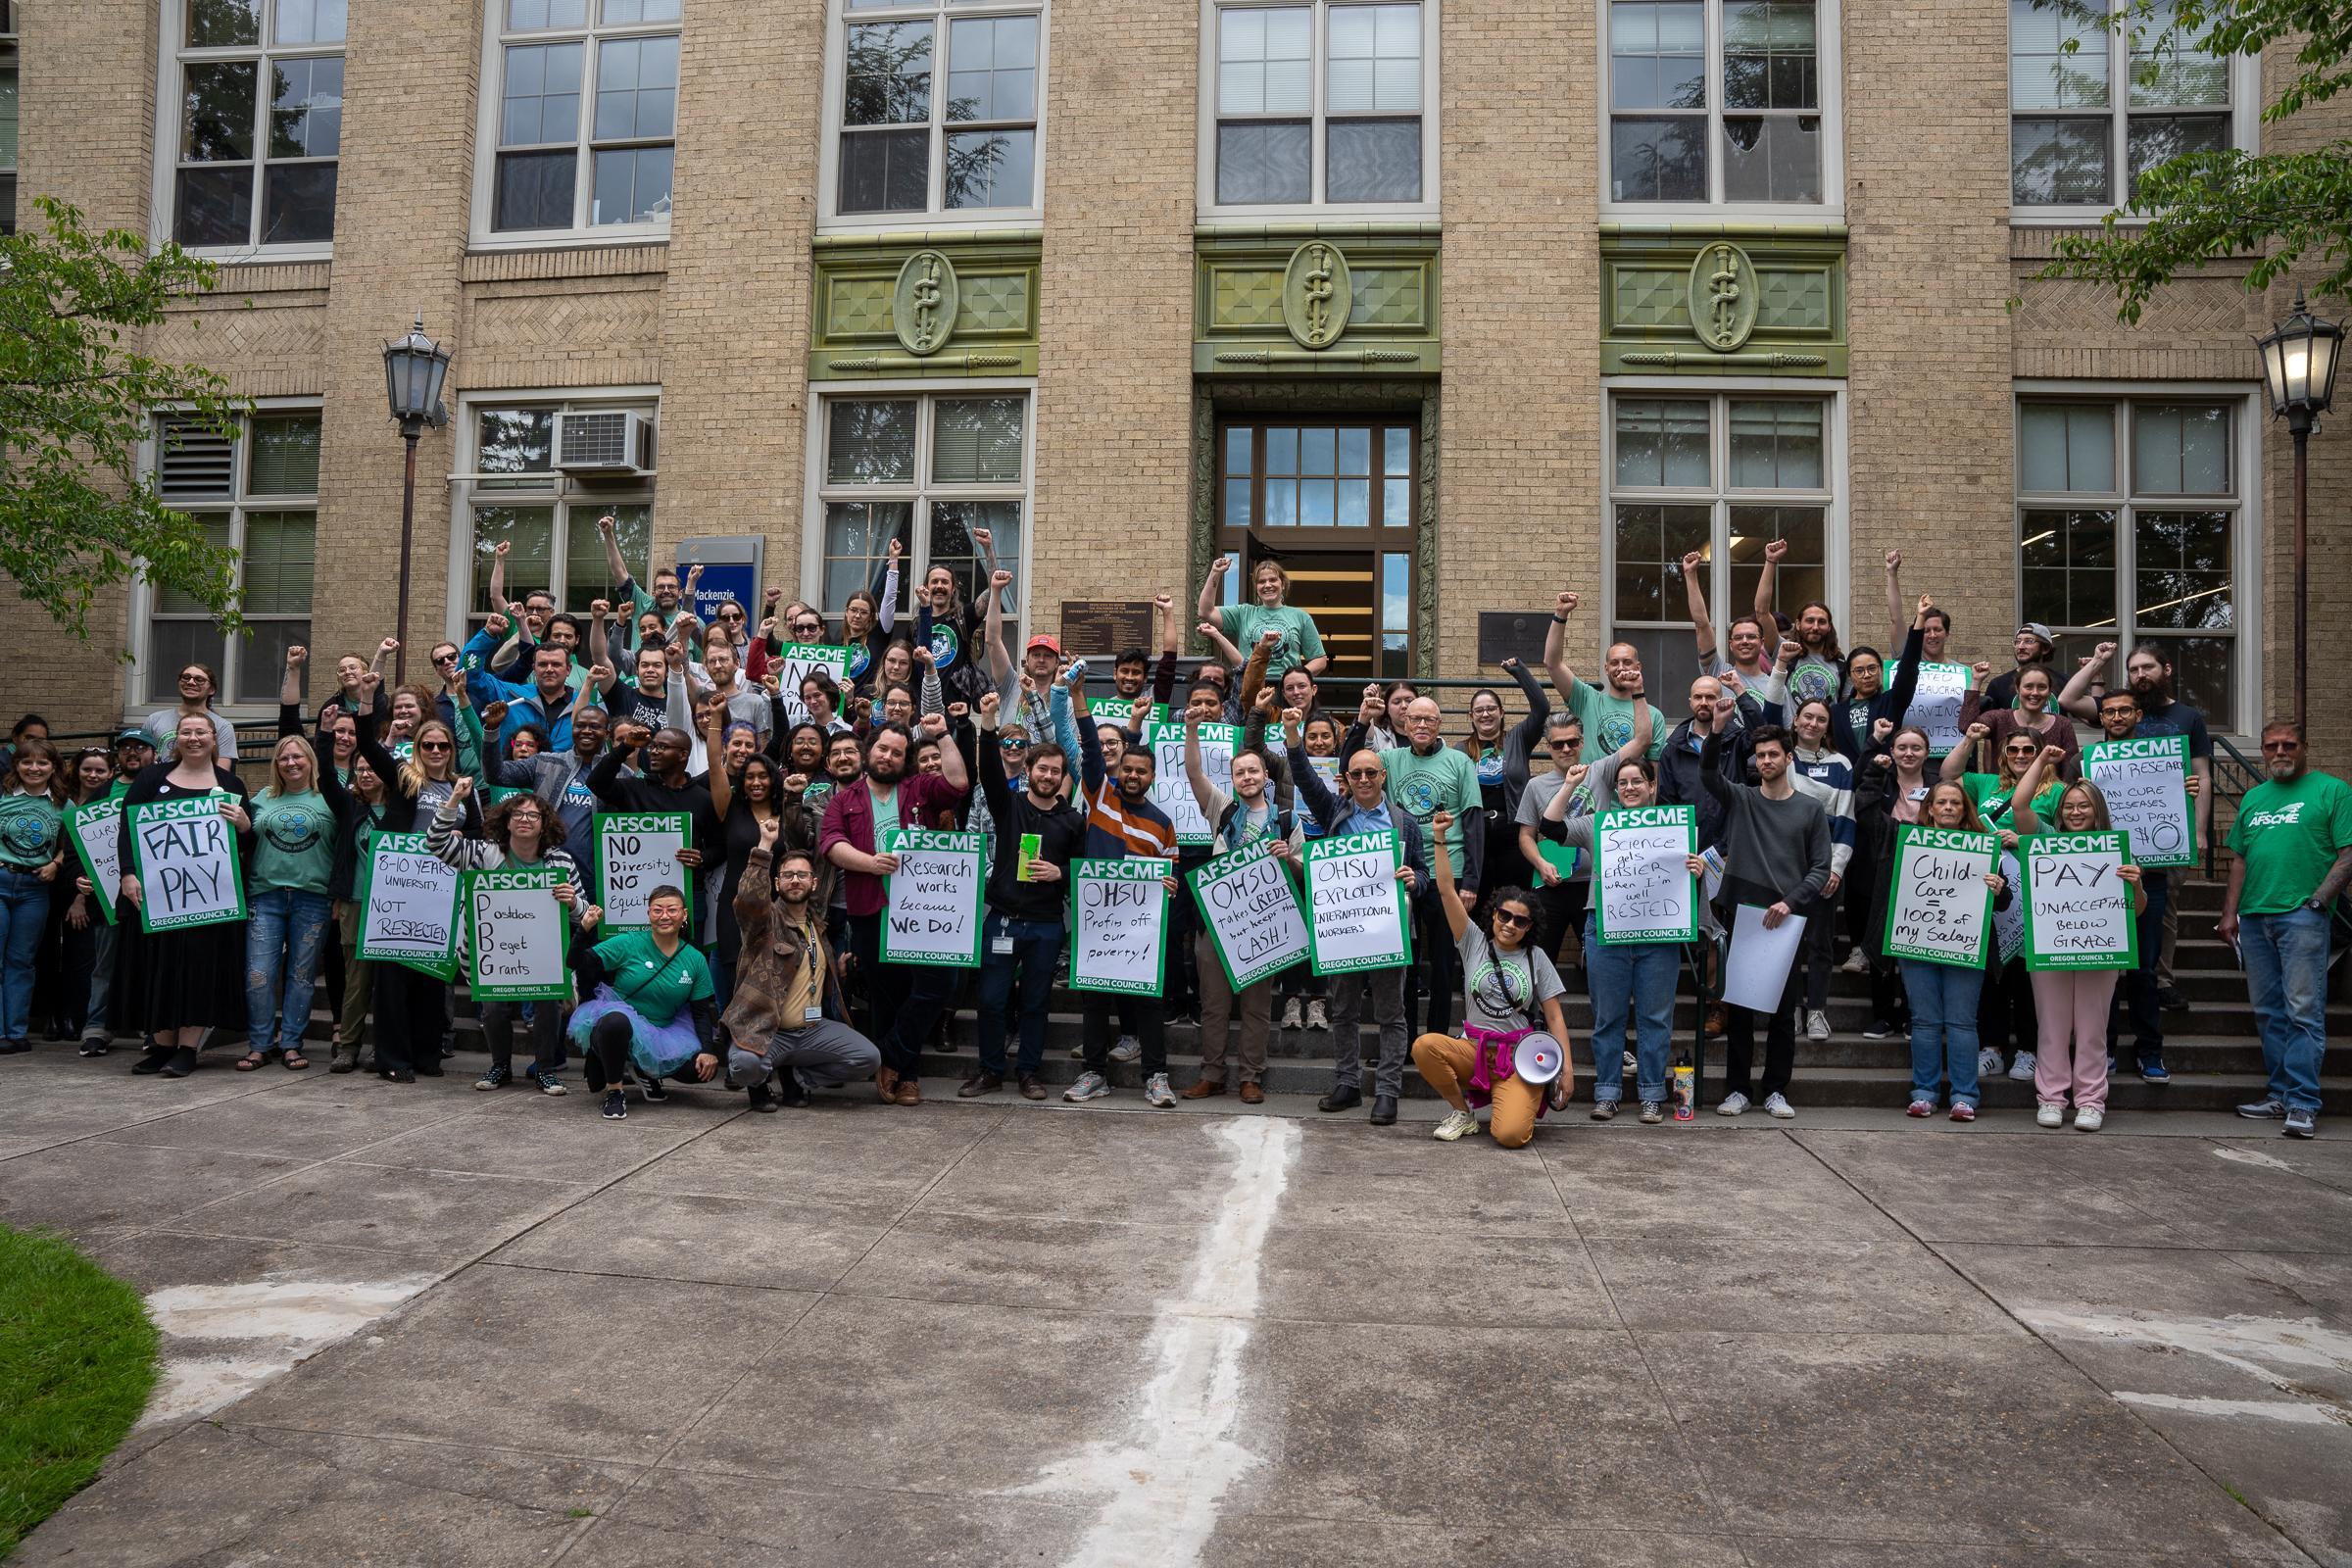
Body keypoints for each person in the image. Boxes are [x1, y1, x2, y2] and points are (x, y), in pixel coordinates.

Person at [1542, 707, 1695, 1122]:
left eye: (1637, 781)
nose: (1629, 787)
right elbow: (1551, 828)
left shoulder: (1674, 826)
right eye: (1622, 782)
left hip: (1659, 932)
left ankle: (1650, 1094)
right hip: (1605, 929)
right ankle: (1607, 1092)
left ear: (1651, 785)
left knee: (1655, 1018)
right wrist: (1571, 785)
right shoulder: (1599, 824)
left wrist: (1697, 869)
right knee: (1607, 1017)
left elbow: (1697, 877)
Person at [817, 713, 969, 1103]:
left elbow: (957, 784)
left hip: (924, 911)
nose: (888, 756)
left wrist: (943, 735)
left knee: (941, 984)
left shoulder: (920, 788)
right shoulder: (843, 800)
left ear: (907, 759)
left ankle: (892, 1058)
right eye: (882, 748)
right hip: (871, 910)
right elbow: (831, 844)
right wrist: (869, 862)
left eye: (897, 752)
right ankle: (907, 1078)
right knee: (889, 996)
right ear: (870, 751)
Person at [1284, 710, 1424, 1125]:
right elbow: (1305, 777)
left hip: (1387, 934)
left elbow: (1426, 878)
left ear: (1383, 776)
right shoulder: (1333, 814)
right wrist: (1293, 736)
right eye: (1356, 774)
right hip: (1341, 934)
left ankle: (1387, 1091)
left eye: (1371, 773)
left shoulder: (1405, 824)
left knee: (1391, 1014)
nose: (1363, 780)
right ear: (1346, 779)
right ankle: (1347, 1083)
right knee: (1342, 1010)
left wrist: (1415, 880)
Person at [2059, 641, 2213, 1015]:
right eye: (2134, 669)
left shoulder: (2187, 717)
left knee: (2164, 910)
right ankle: (2121, 969)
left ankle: (2159, 979)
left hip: (2163, 840)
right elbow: (2066, 699)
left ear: (2166, 670)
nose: (2141, 674)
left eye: (2148, 667)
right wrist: (2098, 663)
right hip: (2107, 845)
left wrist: (2200, 830)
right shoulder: (2106, 725)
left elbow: (2201, 776)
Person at [2223, 719, 2351, 1139]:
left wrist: (2319, 900)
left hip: (2302, 916)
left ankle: (2303, 1102)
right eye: (2272, 745)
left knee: (2303, 1011)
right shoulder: (2255, 798)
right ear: (2262, 750)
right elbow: (2239, 860)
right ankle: (2279, 1093)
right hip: (2255, 917)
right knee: (2268, 1012)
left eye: (2289, 745)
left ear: (2304, 748)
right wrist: (2230, 915)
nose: (2280, 752)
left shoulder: (2332, 791)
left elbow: (2348, 854)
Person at [1412, 812, 1572, 1147]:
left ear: (1530, 927)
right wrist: (1440, 838)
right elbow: (1445, 890)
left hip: (1518, 1058)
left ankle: (1525, 1092)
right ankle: (1462, 1113)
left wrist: (1566, 1069)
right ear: (1493, 914)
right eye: (1504, 915)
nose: (1510, 924)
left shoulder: (1536, 958)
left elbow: (1555, 1016)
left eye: (1521, 921)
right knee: (1425, 1046)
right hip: (1473, 1049)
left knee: (1510, 1136)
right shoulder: (1473, 941)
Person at [1062, 663, 1182, 1109]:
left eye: (1141, 772)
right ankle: (1094, 1074)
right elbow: (1091, 749)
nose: (1133, 776)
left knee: (1148, 1003)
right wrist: (1078, 697)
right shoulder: (1100, 795)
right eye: (1128, 769)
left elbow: (1171, 871)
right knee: (1094, 1001)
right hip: (1099, 920)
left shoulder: (1163, 823)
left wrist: (1169, 885)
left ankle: (1156, 1076)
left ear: (1151, 776)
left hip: (1142, 928)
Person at [2010, 747, 2145, 1131]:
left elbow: (2135, 911)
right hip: (2050, 945)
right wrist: (2042, 762)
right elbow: (2021, 805)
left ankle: (2090, 1100)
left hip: (2100, 950)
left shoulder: (2116, 848)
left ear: (2097, 809)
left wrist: (2135, 887)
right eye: (2069, 805)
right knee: (2051, 1026)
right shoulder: (2045, 839)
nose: (2075, 812)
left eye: (2084, 805)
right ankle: (2051, 1097)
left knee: (2092, 1028)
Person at [1702, 723, 1833, 1117]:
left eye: (1774, 754)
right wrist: (1715, 732)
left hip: (1787, 919)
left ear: (1788, 758)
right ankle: (1738, 1090)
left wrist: (1791, 903)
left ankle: (1776, 1089)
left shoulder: (1809, 808)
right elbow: (1708, 774)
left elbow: (1821, 868)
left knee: (1782, 1010)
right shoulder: (1742, 798)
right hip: (1743, 913)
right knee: (1739, 1010)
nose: (1766, 761)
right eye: (1760, 756)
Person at [425, 777, 582, 1095]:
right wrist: (456, 797)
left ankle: (546, 1068)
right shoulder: (483, 854)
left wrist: (574, 901)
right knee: (494, 1006)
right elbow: (436, 844)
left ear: (544, 824)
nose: (525, 820)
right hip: (492, 954)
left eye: (533, 815)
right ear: (506, 822)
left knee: (549, 1004)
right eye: (518, 814)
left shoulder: (561, 861)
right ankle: (500, 1066)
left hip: (543, 954)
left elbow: (584, 914)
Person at [965, 689, 1086, 1100]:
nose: (1049, 776)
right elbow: (988, 772)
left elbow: (1086, 873)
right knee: (991, 1000)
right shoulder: (1008, 806)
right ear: (1029, 769)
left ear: (1062, 776)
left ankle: (1029, 1073)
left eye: (1056, 771)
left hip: (1046, 926)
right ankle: (990, 1070)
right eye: (1042, 769)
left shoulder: (1071, 821)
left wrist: (1061, 872)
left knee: (1035, 1003)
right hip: (1001, 919)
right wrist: (988, 720)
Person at [118, 714, 253, 1077]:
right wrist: (128, 873)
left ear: (214, 738)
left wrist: (243, 824)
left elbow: (245, 843)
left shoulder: (230, 783)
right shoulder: (152, 779)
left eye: (201, 732)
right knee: (159, 967)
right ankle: (162, 1047)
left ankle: (188, 1049)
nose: (193, 738)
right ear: (176, 739)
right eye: (186, 732)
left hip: (209, 900)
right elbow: (127, 828)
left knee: (198, 969)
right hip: (158, 897)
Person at [235, 647, 349, 1072]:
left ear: (310, 761)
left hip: (313, 898)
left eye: (298, 755)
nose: (290, 761)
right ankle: (260, 1044)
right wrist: (244, 825)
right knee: (259, 975)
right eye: (283, 757)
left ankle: (292, 1045)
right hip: (265, 896)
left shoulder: (329, 799)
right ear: (276, 764)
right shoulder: (261, 798)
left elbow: (342, 850)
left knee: (302, 977)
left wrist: (338, 894)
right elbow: (244, 843)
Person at [1342, 690, 1481, 1037]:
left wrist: (1472, 882)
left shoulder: (1459, 761)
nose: (1421, 725)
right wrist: (1361, 722)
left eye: (1429, 720)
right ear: (1403, 722)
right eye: (1415, 719)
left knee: (1444, 965)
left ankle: (1434, 1040)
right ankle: (1403, 1044)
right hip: (1399, 874)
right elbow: (1350, 763)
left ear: (1439, 725)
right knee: (1404, 961)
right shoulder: (1389, 758)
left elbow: (1475, 821)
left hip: (1448, 875)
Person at [724, 824, 882, 1110]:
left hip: (810, 1030)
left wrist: (838, 970)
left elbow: (809, 969)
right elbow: (748, 901)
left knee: (867, 1058)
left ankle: (796, 1077)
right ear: (776, 883)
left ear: (814, 883)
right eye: (787, 876)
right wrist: (764, 845)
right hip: (766, 1031)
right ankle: (759, 1084)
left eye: (802, 875)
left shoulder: (817, 927)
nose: (794, 880)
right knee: (744, 1065)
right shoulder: (764, 922)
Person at [1896, 782, 2012, 1122]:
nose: (1948, 807)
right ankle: (1924, 1093)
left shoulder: (1983, 848)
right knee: (1924, 1021)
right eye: (1941, 802)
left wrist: (2000, 889)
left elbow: (2002, 904)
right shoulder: (1909, 841)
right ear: (1929, 808)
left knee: (1962, 1022)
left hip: (1966, 944)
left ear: (1965, 810)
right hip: (1916, 942)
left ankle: (1964, 1096)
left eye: (1955, 803)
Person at [567, 885, 718, 1120]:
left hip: (664, 1030)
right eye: (657, 910)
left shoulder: (695, 959)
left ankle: (642, 1070)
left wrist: (708, 1052)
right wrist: (584, 929)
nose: (665, 916)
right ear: (648, 914)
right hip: (619, 1019)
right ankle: (615, 1091)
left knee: (699, 1072)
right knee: (616, 1023)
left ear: (684, 914)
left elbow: (701, 1012)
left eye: (672, 910)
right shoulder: (629, 942)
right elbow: (576, 961)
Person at [1853, 722, 1933, 1042]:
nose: (1909, 753)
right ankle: (1883, 1015)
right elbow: (1864, 807)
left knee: (1918, 945)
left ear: (1927, 752)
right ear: (1892, 751)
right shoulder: (1882, 780)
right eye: (1902, 747)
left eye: (1916, 748)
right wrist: (1874, 770)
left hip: (1927, 876)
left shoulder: (1938, 785)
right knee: (1881, 942)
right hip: (1882, 871)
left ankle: (1916, 1015)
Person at [1783, 691, 1855, 1044]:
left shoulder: (1841, 765)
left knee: (1821, 943)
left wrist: (1836, 868)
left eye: (1820, 719)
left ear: (1828, 726)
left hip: (1823, 867)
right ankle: (1793, 1008)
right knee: (1789, 943)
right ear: (1795, 721)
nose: (1812, 723)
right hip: (1784, 867)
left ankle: (1816, 1011)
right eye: (1806, 716)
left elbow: (1845, 819)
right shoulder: (1781, 759)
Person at [1461, 658, 1551, 906]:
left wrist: (1519, 672)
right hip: (1477, 836)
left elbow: (1542, 708)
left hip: (1514, 833)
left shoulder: (1518, 740)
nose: (1485, 714)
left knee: (1514, 901)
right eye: (1479, 710)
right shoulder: (1460, 751)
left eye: (1491, 708)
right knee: (1478, 905)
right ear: (1471, 716)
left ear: (1502, 713)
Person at [1543, 589, 1670, 762]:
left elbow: (1653, 769)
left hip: (1629, 789)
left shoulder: (1653, 715)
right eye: (1614, 663)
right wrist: (1560, 613)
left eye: (1627, 662)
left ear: (1638, 667)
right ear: (1606, 669)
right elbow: (1552, 663)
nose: (1621, 668)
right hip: (1590, 789)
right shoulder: (1587, 699)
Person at [0, 736, 68, 1054]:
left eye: (42, 762)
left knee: (22, 962)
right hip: (1, 880)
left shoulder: (63, 803)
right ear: (17, 765)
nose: (34, 768)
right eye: (27, 762)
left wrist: (56, 863)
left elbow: (74, 848)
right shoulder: (3, 795)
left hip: (35, 889)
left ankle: (16, 1031)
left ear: (53, 767)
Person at [1517, 710, 1593, 961]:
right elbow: (1526, 836)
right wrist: (1540, 863)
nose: (1566, 749)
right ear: (1548, 747)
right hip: (1550, 885)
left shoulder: (1599, 777)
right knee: (1541, 958)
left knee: (1596, 960)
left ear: (1581, 742)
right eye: (1558, 743)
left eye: (1572, 742)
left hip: (1593, 884)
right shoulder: (1536, 786)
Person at [1197, 555, 1328, 680]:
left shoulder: (1300, 616)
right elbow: (1205, 612)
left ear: (1282, 584)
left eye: (1272, 580)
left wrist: (1294, 679)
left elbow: (1320, 660)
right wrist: (1215, 572)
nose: (1267, 585)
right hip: (1249, 688)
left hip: (1287, 693)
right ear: (1256, 587)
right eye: (1261, 581)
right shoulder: (1244, 613)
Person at [1958, 662, 2078, 781]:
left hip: (2047, 797)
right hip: (2003, 794)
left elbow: (2069, 773)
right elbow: (1966, 726)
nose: (2035, 693)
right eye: (2028, 686)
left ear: (2049, 691)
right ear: (2017, 688)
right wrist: (1976, 682)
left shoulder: (2063, 725)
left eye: (2041, 687)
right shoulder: (1999, 718)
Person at [143, 662, 241, 760]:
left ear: (211, 689)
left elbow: (222, 771)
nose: (190, 682)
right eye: (186, 677)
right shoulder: (154, 720)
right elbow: (142, 760)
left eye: (199, 680)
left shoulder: (223, 727)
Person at [1984, 622, 2059, 712]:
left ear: (2045, 648)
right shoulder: (1998, 685)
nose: (2020, 647)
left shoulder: (2063, 681)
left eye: (2029, 641)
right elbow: (1986, 722)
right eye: (2017, 641)